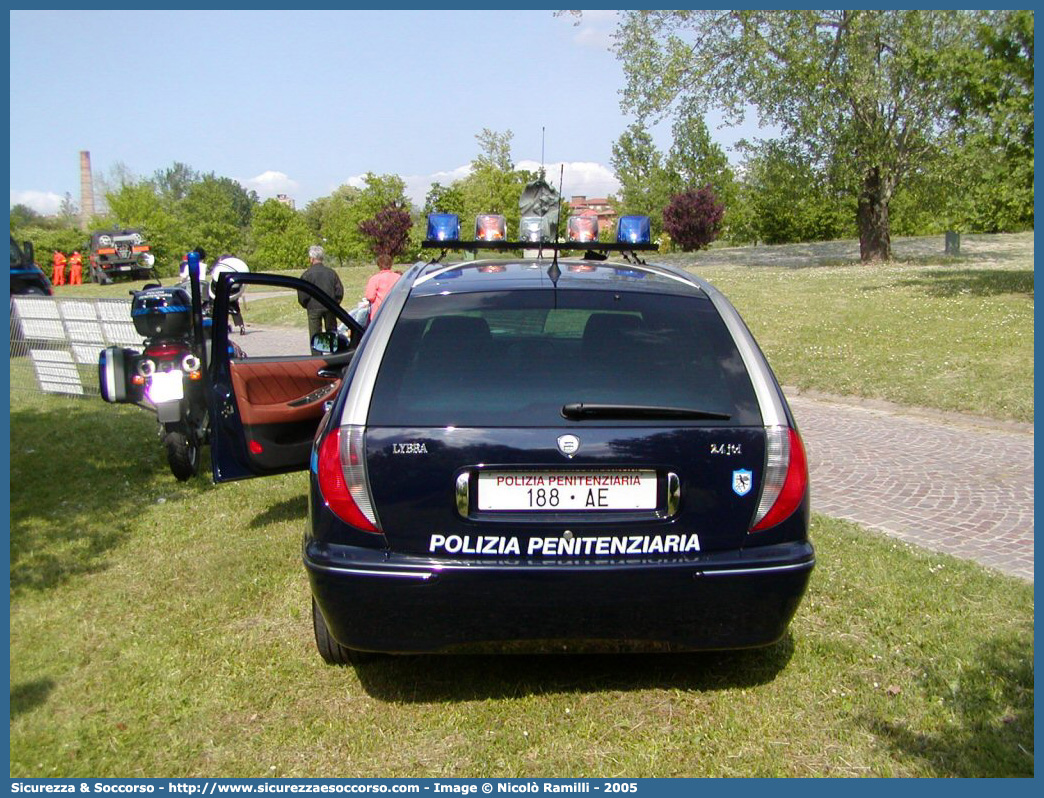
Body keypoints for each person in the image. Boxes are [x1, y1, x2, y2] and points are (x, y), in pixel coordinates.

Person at [298, 245, 343, 352]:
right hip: (329, 306)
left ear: (311, 259)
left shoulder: (306, 275)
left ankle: (317, 358)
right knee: (331, 332)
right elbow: (339, 291)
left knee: (315, 335)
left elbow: (302, 295)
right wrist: (335, 303)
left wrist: (307, 305)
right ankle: (334, 355)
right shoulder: (331, 273)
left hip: (313, 308)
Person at [364, 253, 402, 322]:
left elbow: (370, 297)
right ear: (391, 264)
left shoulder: (374, 279)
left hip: (379, 313)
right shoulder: (399, 278)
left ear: (379, 265)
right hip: (396, 311)